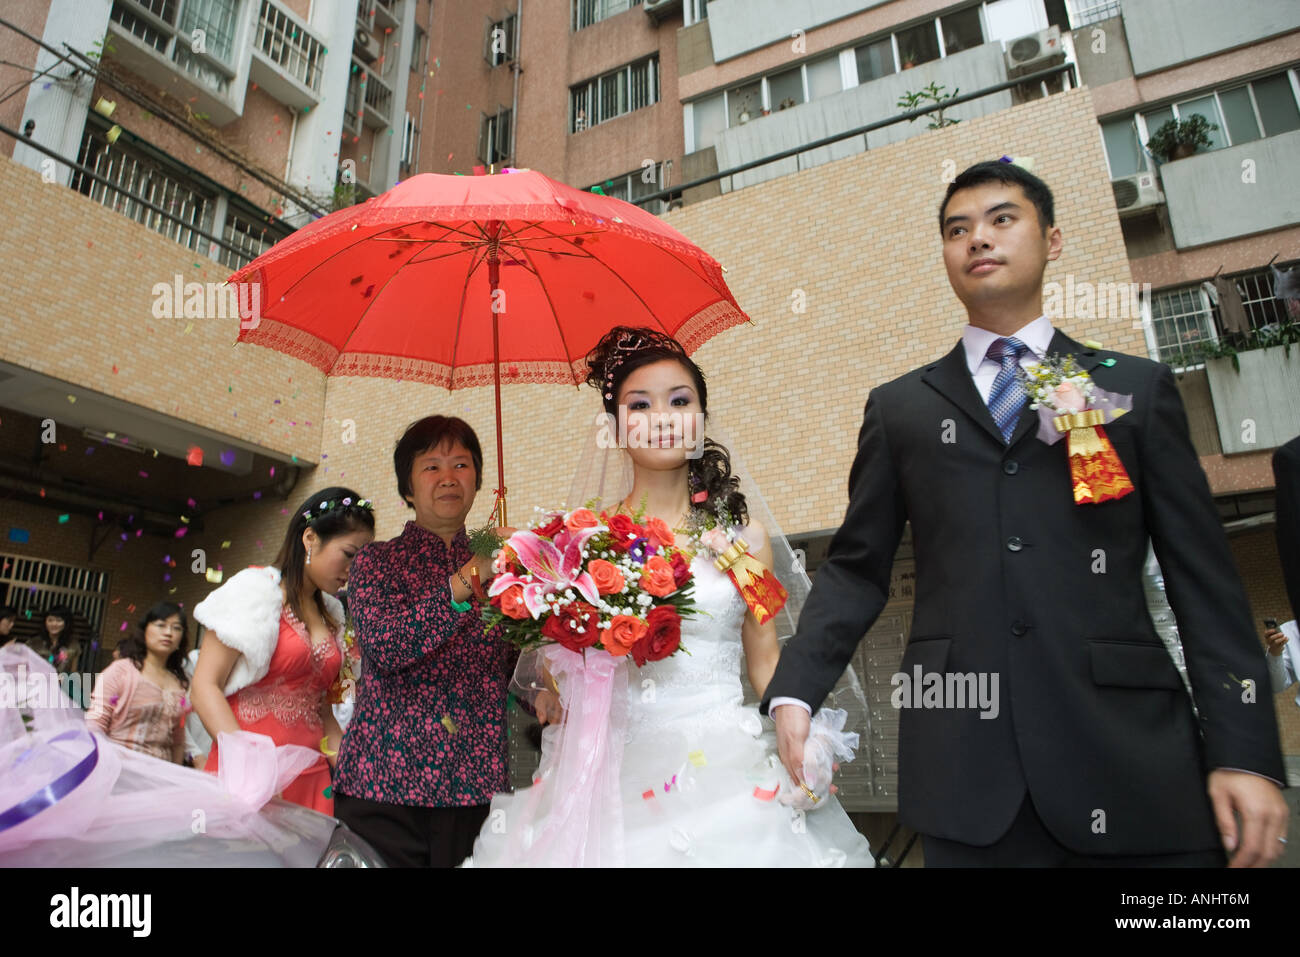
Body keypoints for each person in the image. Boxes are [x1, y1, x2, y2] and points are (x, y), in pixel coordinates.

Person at [764, 158, 1288, 867]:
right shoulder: (901, 410)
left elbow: (1207, 585)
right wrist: (795, 688)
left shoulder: (1136, 389)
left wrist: (1247, 751)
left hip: (1133, 761)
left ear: (1054, 239)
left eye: (1002, 219)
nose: (978, 238)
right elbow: (857, 569)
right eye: (957, 229)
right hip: (967, 771)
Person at [467, 328, 874, 867]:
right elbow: (548, 668)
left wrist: (804, 730)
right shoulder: (585, 541)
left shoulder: (742, 541)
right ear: (615, 427)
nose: (662, 417)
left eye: (679, 401)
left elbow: (766, 660)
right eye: (640, 404)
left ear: (701, 419)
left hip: (725, 765)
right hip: (613, 770)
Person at [333, 416, 518, 868]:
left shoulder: (506, 563)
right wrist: (469, 577)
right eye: (432, 467)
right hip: (384, 784)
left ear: (477, 482)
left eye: (461, 464)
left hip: (475, 785)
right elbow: (388, 646)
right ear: (408, 487)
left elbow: (517, 671)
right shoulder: (377, 561)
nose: (449, 477)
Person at [190, 487, 375, 814]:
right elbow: (204, 687)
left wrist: (353, 776)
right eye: (349, 554)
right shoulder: (253, 591)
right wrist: (249, 769)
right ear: (310, 539)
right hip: (248, 779)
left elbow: (326, 715)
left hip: (314, 782)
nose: (356, 569)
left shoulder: (334, 615)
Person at [86, 602, 191, 763]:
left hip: (160, 777)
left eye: (176, 628)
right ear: (145, 631)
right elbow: (95, 724)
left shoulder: (180, 683)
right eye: (161, 625)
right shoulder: (120, 672)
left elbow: (178, 740)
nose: (168, 633)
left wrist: (176, 776)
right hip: (118, 768)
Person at [32, 605, 80, 674]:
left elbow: (73, 672)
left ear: (66, 623)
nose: (54, 624)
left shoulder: (73, 645)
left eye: (59, 620)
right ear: (45, 622)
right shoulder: (33, 643)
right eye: (50, 620)